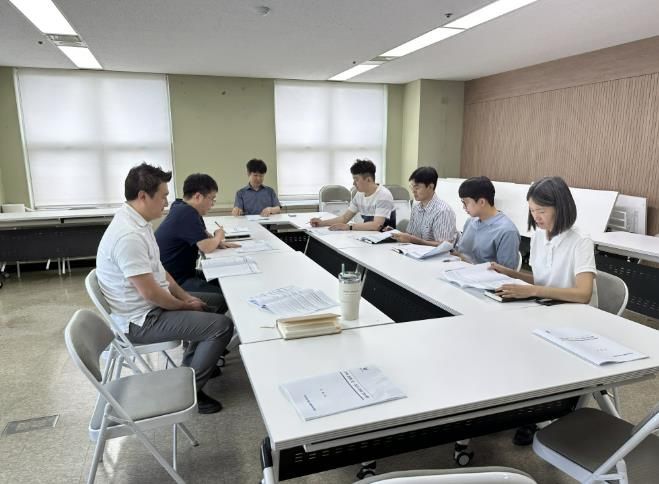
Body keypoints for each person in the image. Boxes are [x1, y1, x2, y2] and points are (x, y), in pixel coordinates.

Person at [96, 163, 233, 414]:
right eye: (163, 196)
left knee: (211, 303)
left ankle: (192, 367)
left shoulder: (139, 224)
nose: (167, 202)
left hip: (149, 307)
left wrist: (186, 297)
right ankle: (191, 391)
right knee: (221, 326)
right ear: (143, 196)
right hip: (141, 321)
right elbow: (150, 293)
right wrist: (184, 305)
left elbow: (161, 272)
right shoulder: (128, 236)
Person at [491, 176, 598, 306]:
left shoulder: (581, 240)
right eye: (532, 210)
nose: (536, 217)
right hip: (548, 306)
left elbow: (583, 295)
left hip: (577, 311)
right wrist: (510, 274)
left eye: (541, 211)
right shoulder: (538, 236)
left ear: (560, 208)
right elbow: (542, 282)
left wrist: (533, 291)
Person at [155, 173, 238, 304]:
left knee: (226, 281)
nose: (212, 204)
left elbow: (203, 235)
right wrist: (218, 237)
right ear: (198, 196)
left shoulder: (180, 206)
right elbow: (205, 247)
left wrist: (216, 242)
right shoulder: (187, 213)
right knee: (225, 297)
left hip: (181, 274)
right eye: (212, 199)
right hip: (176, 281)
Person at [454, 176, 520, 269]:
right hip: (459, 270)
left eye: (466, 203)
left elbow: (507, 272)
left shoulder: (507, 231)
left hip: (484, 277)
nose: (463, 207)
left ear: (481, 202)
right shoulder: (470, 222)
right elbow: (461, 253)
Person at [310, 159, 395, 231]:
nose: (353, 183)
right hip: (369, 235)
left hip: (385, 239)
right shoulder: (360, 194)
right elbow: (344, 218)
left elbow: (376, 225)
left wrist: (349, 227)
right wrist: (322, 223)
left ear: (368, 179)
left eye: (356, 179)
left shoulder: (383, 195)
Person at [389, 166, 457, 245]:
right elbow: (410, 235)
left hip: (434, 253)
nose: (413, 191)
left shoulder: (443, 211)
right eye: (411, 187)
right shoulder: (416, 207)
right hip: (414, 250)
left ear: (430, 187)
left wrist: (414, 240)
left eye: (417, 187)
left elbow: (444, 246)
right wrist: (397, 234)